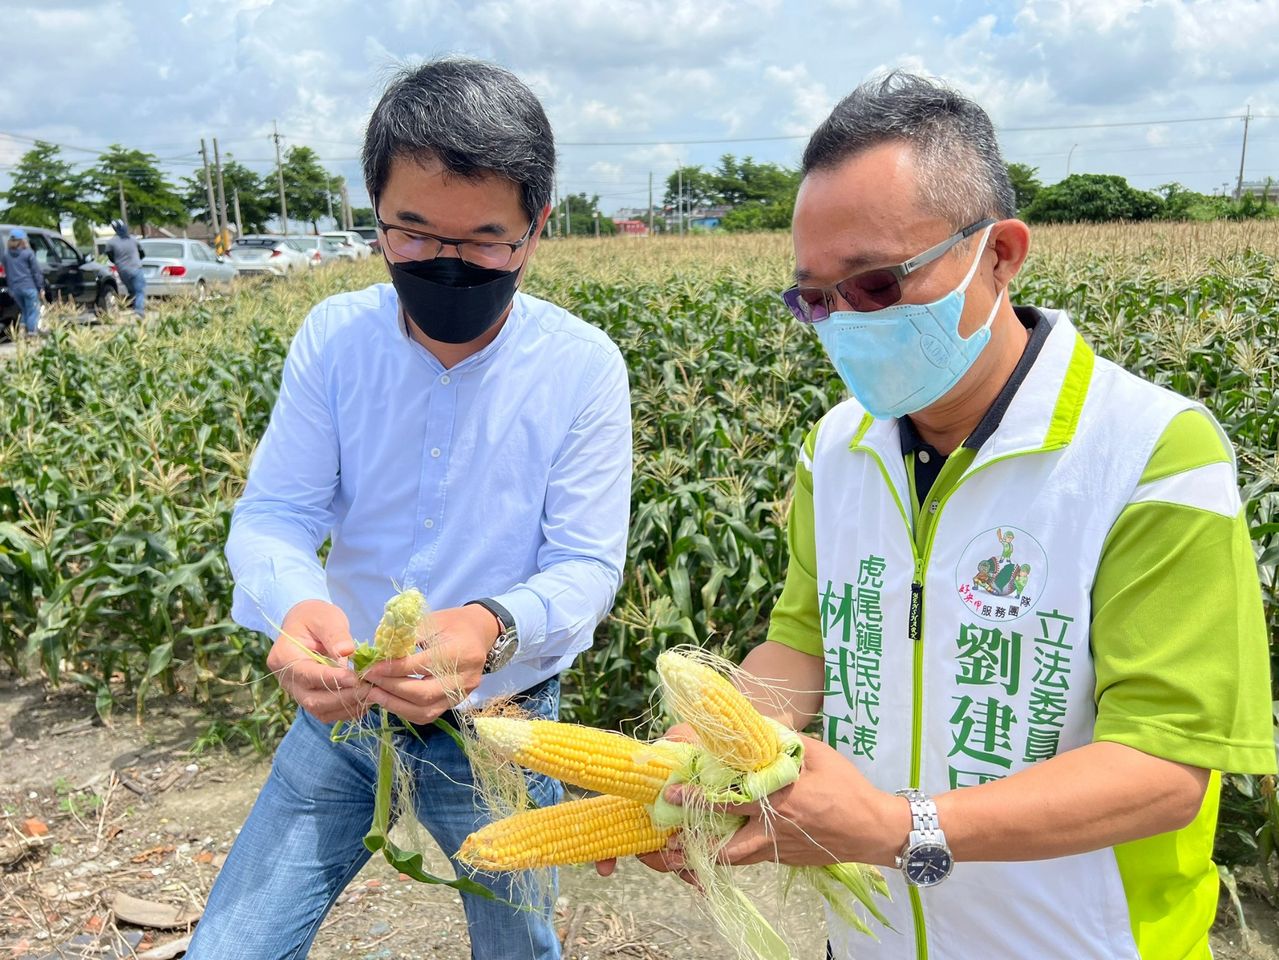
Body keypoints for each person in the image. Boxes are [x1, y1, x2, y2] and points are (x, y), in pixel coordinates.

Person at [641, 74, 1275, 959]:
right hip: (867, 940)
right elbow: (803, 648)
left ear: (1001, 254)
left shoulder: (1151, 452)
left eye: (872, 286)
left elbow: (1164, 768)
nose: (840, 323)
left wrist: (897, 827)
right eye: (813, 299)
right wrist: (700, 752)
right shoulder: (836, 448)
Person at [185, 58, 632, 960]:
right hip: (344, 718)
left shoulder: (581, 367)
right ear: (376, 215)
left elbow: (587, 563)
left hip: (497, 728)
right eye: (415, 233)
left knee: (518, 950)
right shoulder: (336, 340)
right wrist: (296, 608)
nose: (446, 264)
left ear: (537, 230)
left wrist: (491, 628)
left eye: (484, 240)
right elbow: (274, 512)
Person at [2, 227, 46, 335]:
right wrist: (41, 288)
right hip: (29, 287)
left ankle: (22, 331)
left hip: (15, 289)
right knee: (33, 312)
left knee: (25, 311)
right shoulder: (28, 253)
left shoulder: (6, 256)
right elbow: (36, 272)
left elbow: (6, 273)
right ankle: (31, 334)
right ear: (23, 240)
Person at [105, 218, 145, 317]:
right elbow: (142, 254)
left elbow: (110, 257)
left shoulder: (111, 243)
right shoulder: (133, 239)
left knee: (131, 291)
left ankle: (134, 307)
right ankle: (139, 311)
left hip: (123, 270)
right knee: (139, 291)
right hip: (136, 268)